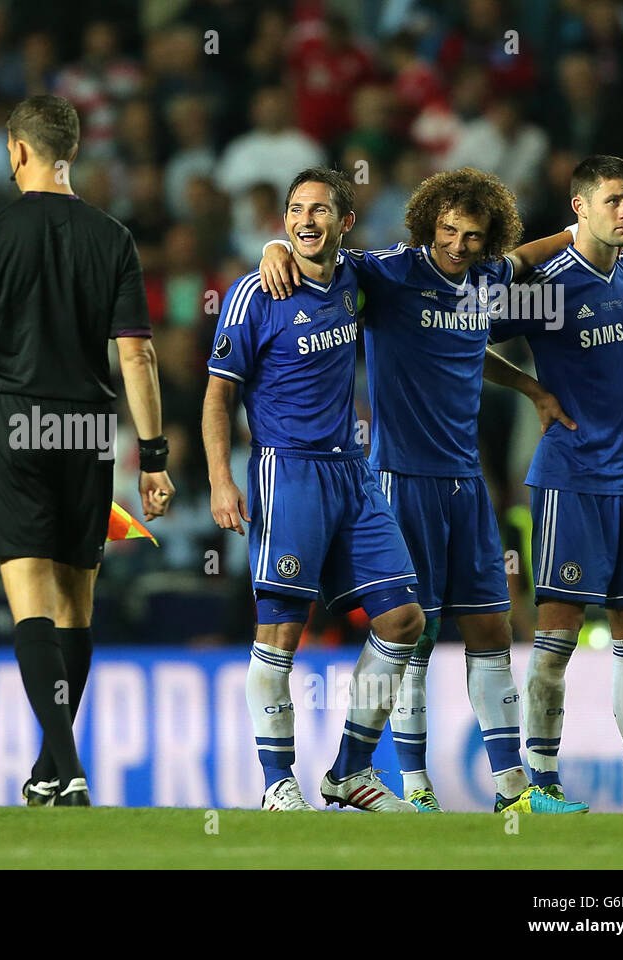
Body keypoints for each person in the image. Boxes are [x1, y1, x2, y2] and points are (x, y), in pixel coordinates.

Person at [257, 168, 589, 814]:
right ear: (427, 221)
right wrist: (274, 247)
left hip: (466, 483)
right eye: (448, 231)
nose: (457, 246)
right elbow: (317, 248)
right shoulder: (389, 275)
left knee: (492, 627)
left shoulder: (485, 280)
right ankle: (414, 781)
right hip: (399, 479)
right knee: (417, 634)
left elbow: (507, 283)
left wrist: (578, 233)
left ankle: (513, 792)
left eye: (472, 237)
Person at [0, 94, 173, 808]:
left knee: (31, 603)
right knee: (77, 603)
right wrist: (155, 457)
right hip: (86, 429)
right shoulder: (112, 237)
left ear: (18, 151)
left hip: (16, 421)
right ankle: (54, 766)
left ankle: (63, 763)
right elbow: (136, 355)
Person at [492, 155, 623, 814]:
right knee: (557, 634)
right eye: (614, 201)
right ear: (579, 207)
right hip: (570, 477)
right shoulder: (550, 285)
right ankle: (541, 783)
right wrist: (530, 388)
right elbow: (466, 333)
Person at [206, 166, 423, 813]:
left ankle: (350, 771)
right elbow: (217, 396)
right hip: (287, 473)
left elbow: (424, 262)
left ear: (345, 223)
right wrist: (221, 478)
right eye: (295, 210)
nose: (304, 222)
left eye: (320, 211)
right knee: (280, 633)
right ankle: (277, 784)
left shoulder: (357, 278)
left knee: (404, 619)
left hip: (352, 474)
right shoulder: (255, 293)